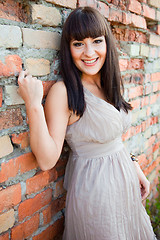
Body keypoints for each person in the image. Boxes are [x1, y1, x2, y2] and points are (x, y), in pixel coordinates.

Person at [18, 6, 157, 240]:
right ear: (68, 48)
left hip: (125, 190)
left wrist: (134, 167)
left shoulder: (107, 83)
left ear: (107, 44)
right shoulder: (65, 92)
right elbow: (46, 159)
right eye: (78, 43)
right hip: (96, 197)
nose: (89, 52)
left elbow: (112, 139)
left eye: (97, 41)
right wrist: (33, 105)